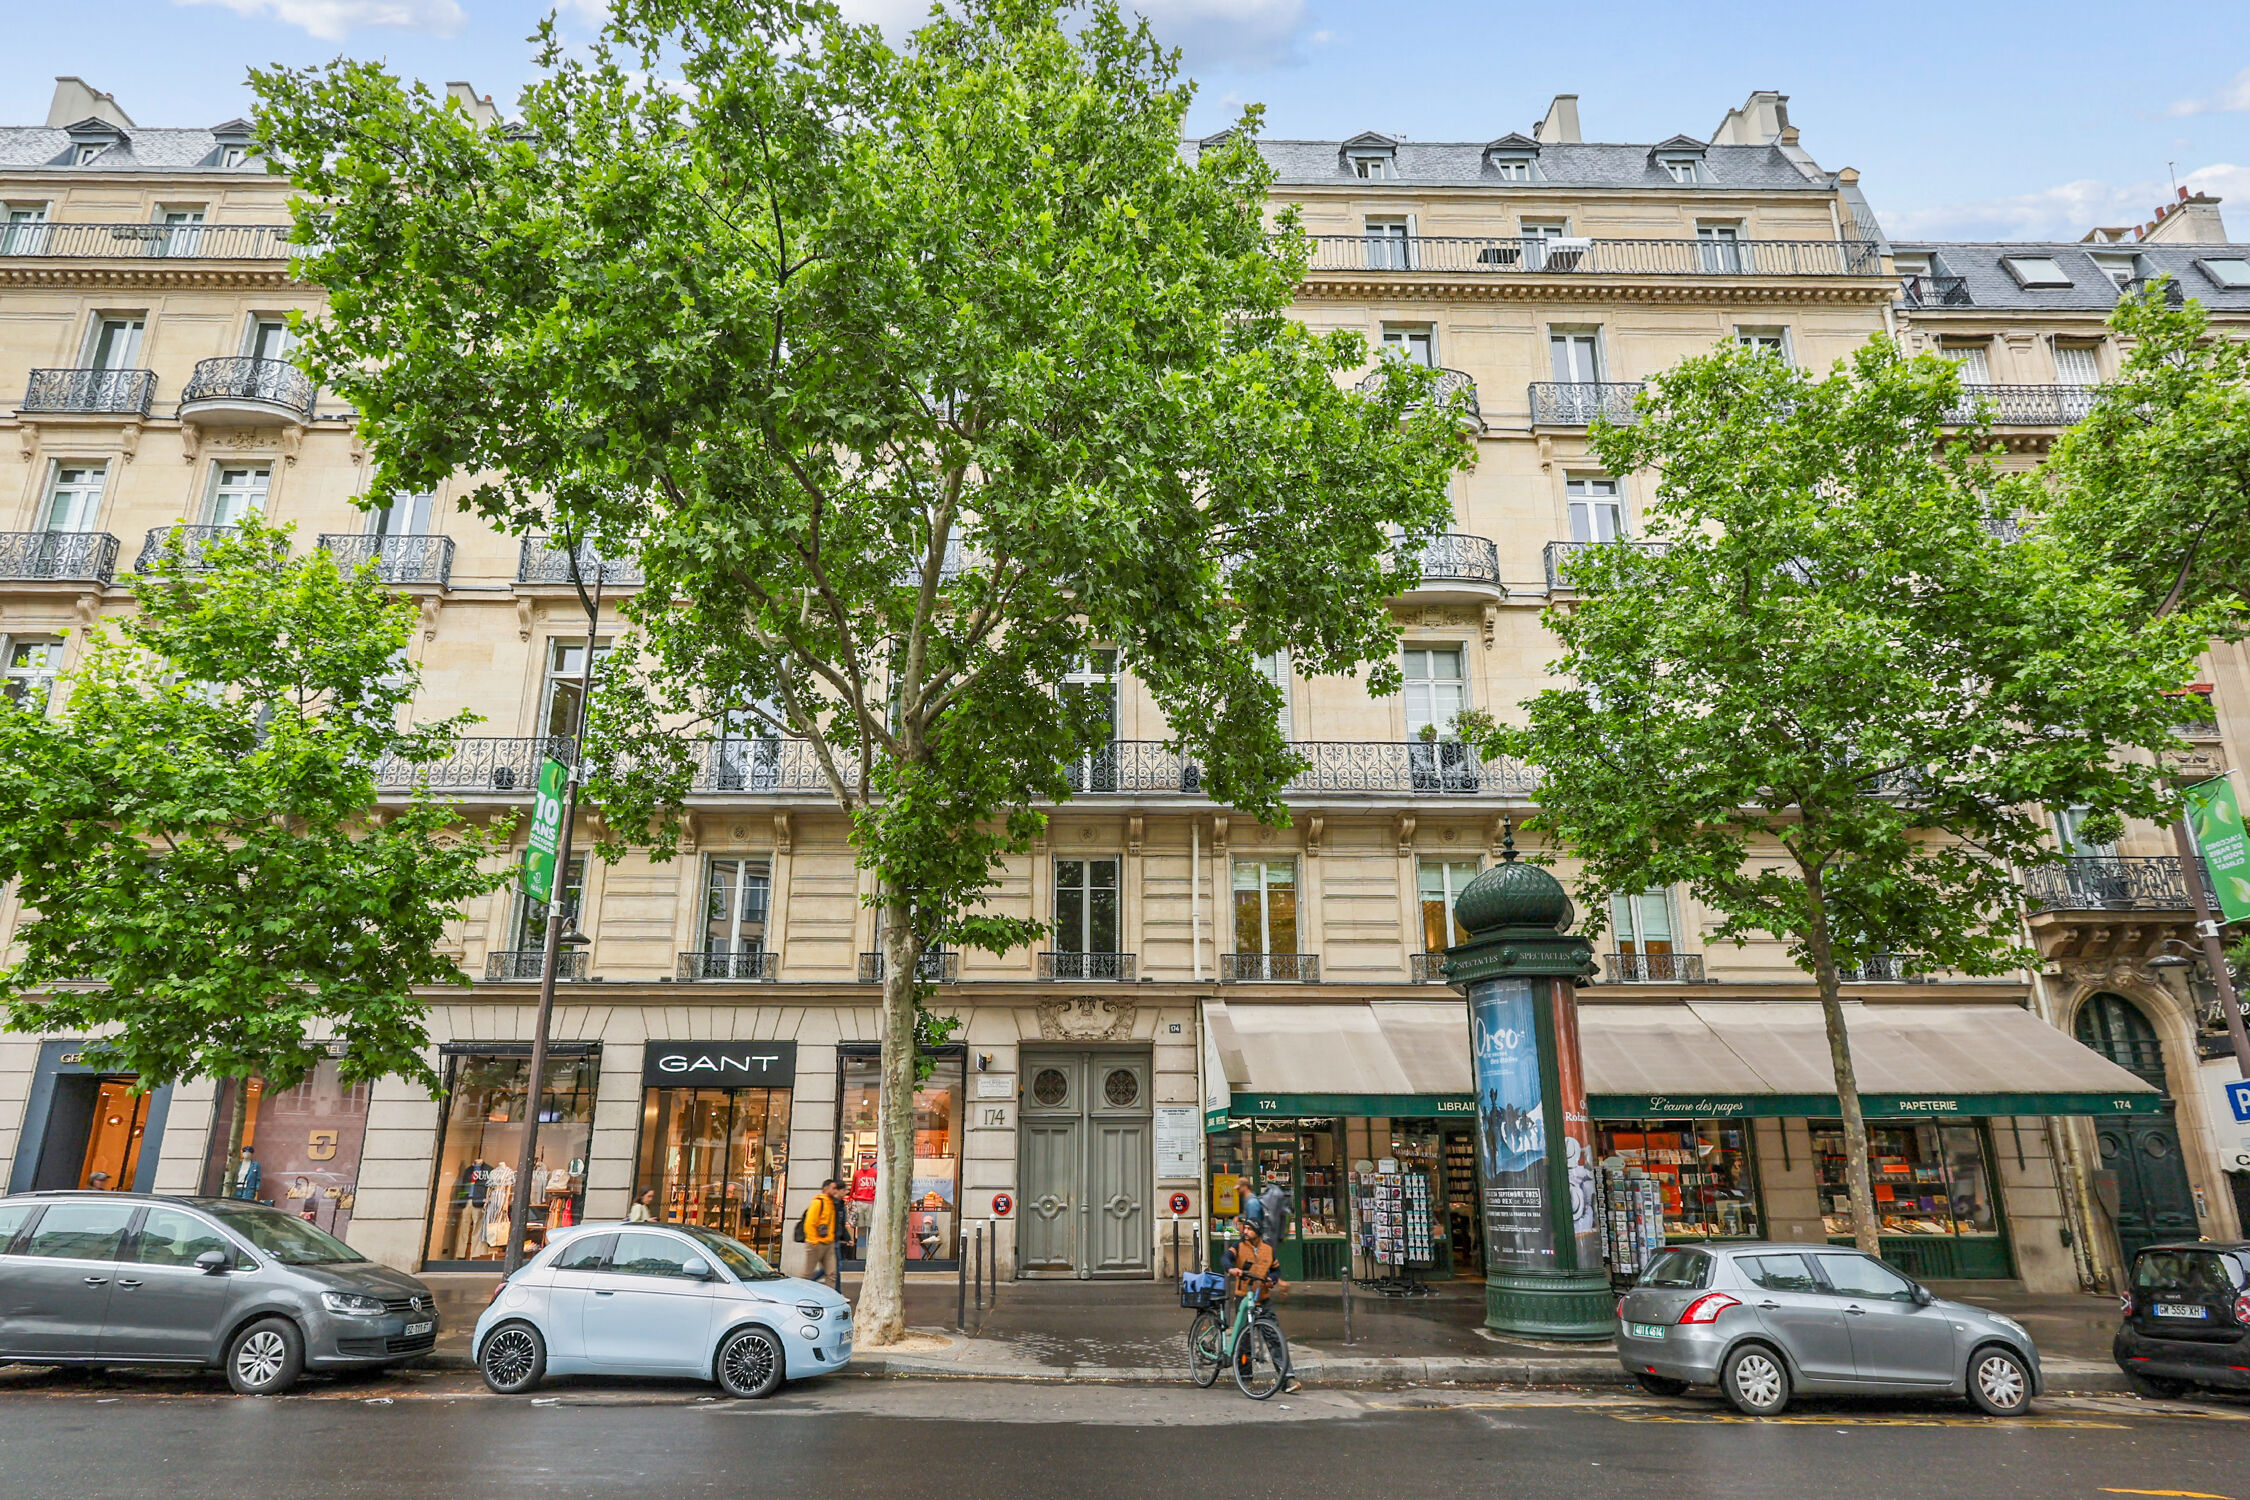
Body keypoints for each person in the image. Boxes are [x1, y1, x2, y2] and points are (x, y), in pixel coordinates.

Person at [1227, 1214, 1300, 1394]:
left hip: (1263, 1297)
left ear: (1257, 1232)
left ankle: (1287, 1378)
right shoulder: (1238, 1246)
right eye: (1245, 1228)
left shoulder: (1268, 1250)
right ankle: (1245, 1378)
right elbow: (1226, 1258)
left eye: (1250, 1229)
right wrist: (1232, 1268)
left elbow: (1276, 1270)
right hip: (1244, 1297)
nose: (1245, 1231)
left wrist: (1272, 1279)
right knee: (1244, 1340)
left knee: (1274, 1337)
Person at [803, 1178, 846, 1285]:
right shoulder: (818, 1202)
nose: (835, 1190)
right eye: (833, 1188)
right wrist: (814, 1241)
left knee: (832, 1273)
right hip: (816, 1244)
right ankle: (799, 1294)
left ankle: (831, 1297)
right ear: (827, 1189)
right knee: (808, 1274)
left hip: (829, 1243)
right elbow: (810, 1222)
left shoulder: (833, 1203)